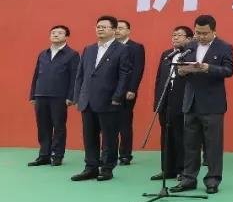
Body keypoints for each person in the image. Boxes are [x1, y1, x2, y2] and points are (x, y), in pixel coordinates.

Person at [171, 14, 233, 195]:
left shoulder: (224, 47)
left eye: (204, 33)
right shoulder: (189, 46)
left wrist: (208, 68)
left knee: (213, 145)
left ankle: (212, 179)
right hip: (190, 102)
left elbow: (229, 70)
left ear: (214, 31)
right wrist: (182, 71)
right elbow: (180, 68)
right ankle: (188, 179)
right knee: (190, 144)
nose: (200, 36)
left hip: (212, 104)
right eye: (198, 32)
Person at [71, 15, 132, 182]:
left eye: (104, 27)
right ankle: (90, 167)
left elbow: (124, 75)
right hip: (88, 100)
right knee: (89, 136)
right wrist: (78, 96)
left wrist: (118, 97)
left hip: (109, 100)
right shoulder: (89, 49)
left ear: (114, 30)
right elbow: (80, 74)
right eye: (98, 26)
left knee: (109, 137)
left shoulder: (122, 49)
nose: (100, 29)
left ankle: (107, 168)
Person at [28, 25, 79, 167]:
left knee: (59, 126)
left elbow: (75, 77)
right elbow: (36, 75)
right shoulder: (43, 54)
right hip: (41, 94)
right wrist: (33, 94)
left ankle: (57, 155)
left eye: (60, 33)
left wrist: (71, 96)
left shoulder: (72, 55)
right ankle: (44, 155)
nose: (56, 35)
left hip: (59, 96)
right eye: (53, 33)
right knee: (43, 126)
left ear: (66, 37)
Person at [150, 26, 192, 181]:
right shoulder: (167, 54)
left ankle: (183, 169)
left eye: (179, 35)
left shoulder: (192, 54)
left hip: (182, 99)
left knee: (181, 136)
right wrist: (157, 101)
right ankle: (167, 169)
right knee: (166, 135)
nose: (175, 38)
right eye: (173, 35)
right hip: (165, 99)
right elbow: (159, 78)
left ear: (189, 39)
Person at [115, 19, 146, 166]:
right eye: (116, 28)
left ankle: (125, 154)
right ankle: (109, 152)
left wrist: (132, 89)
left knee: (124, 123)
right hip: (109, 91)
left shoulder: (136, 47)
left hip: (127, 91)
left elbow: (138, 70)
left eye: (121, 28)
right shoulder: (110, 47)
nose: (117, 30)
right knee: (108, 124)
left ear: (128, 31)